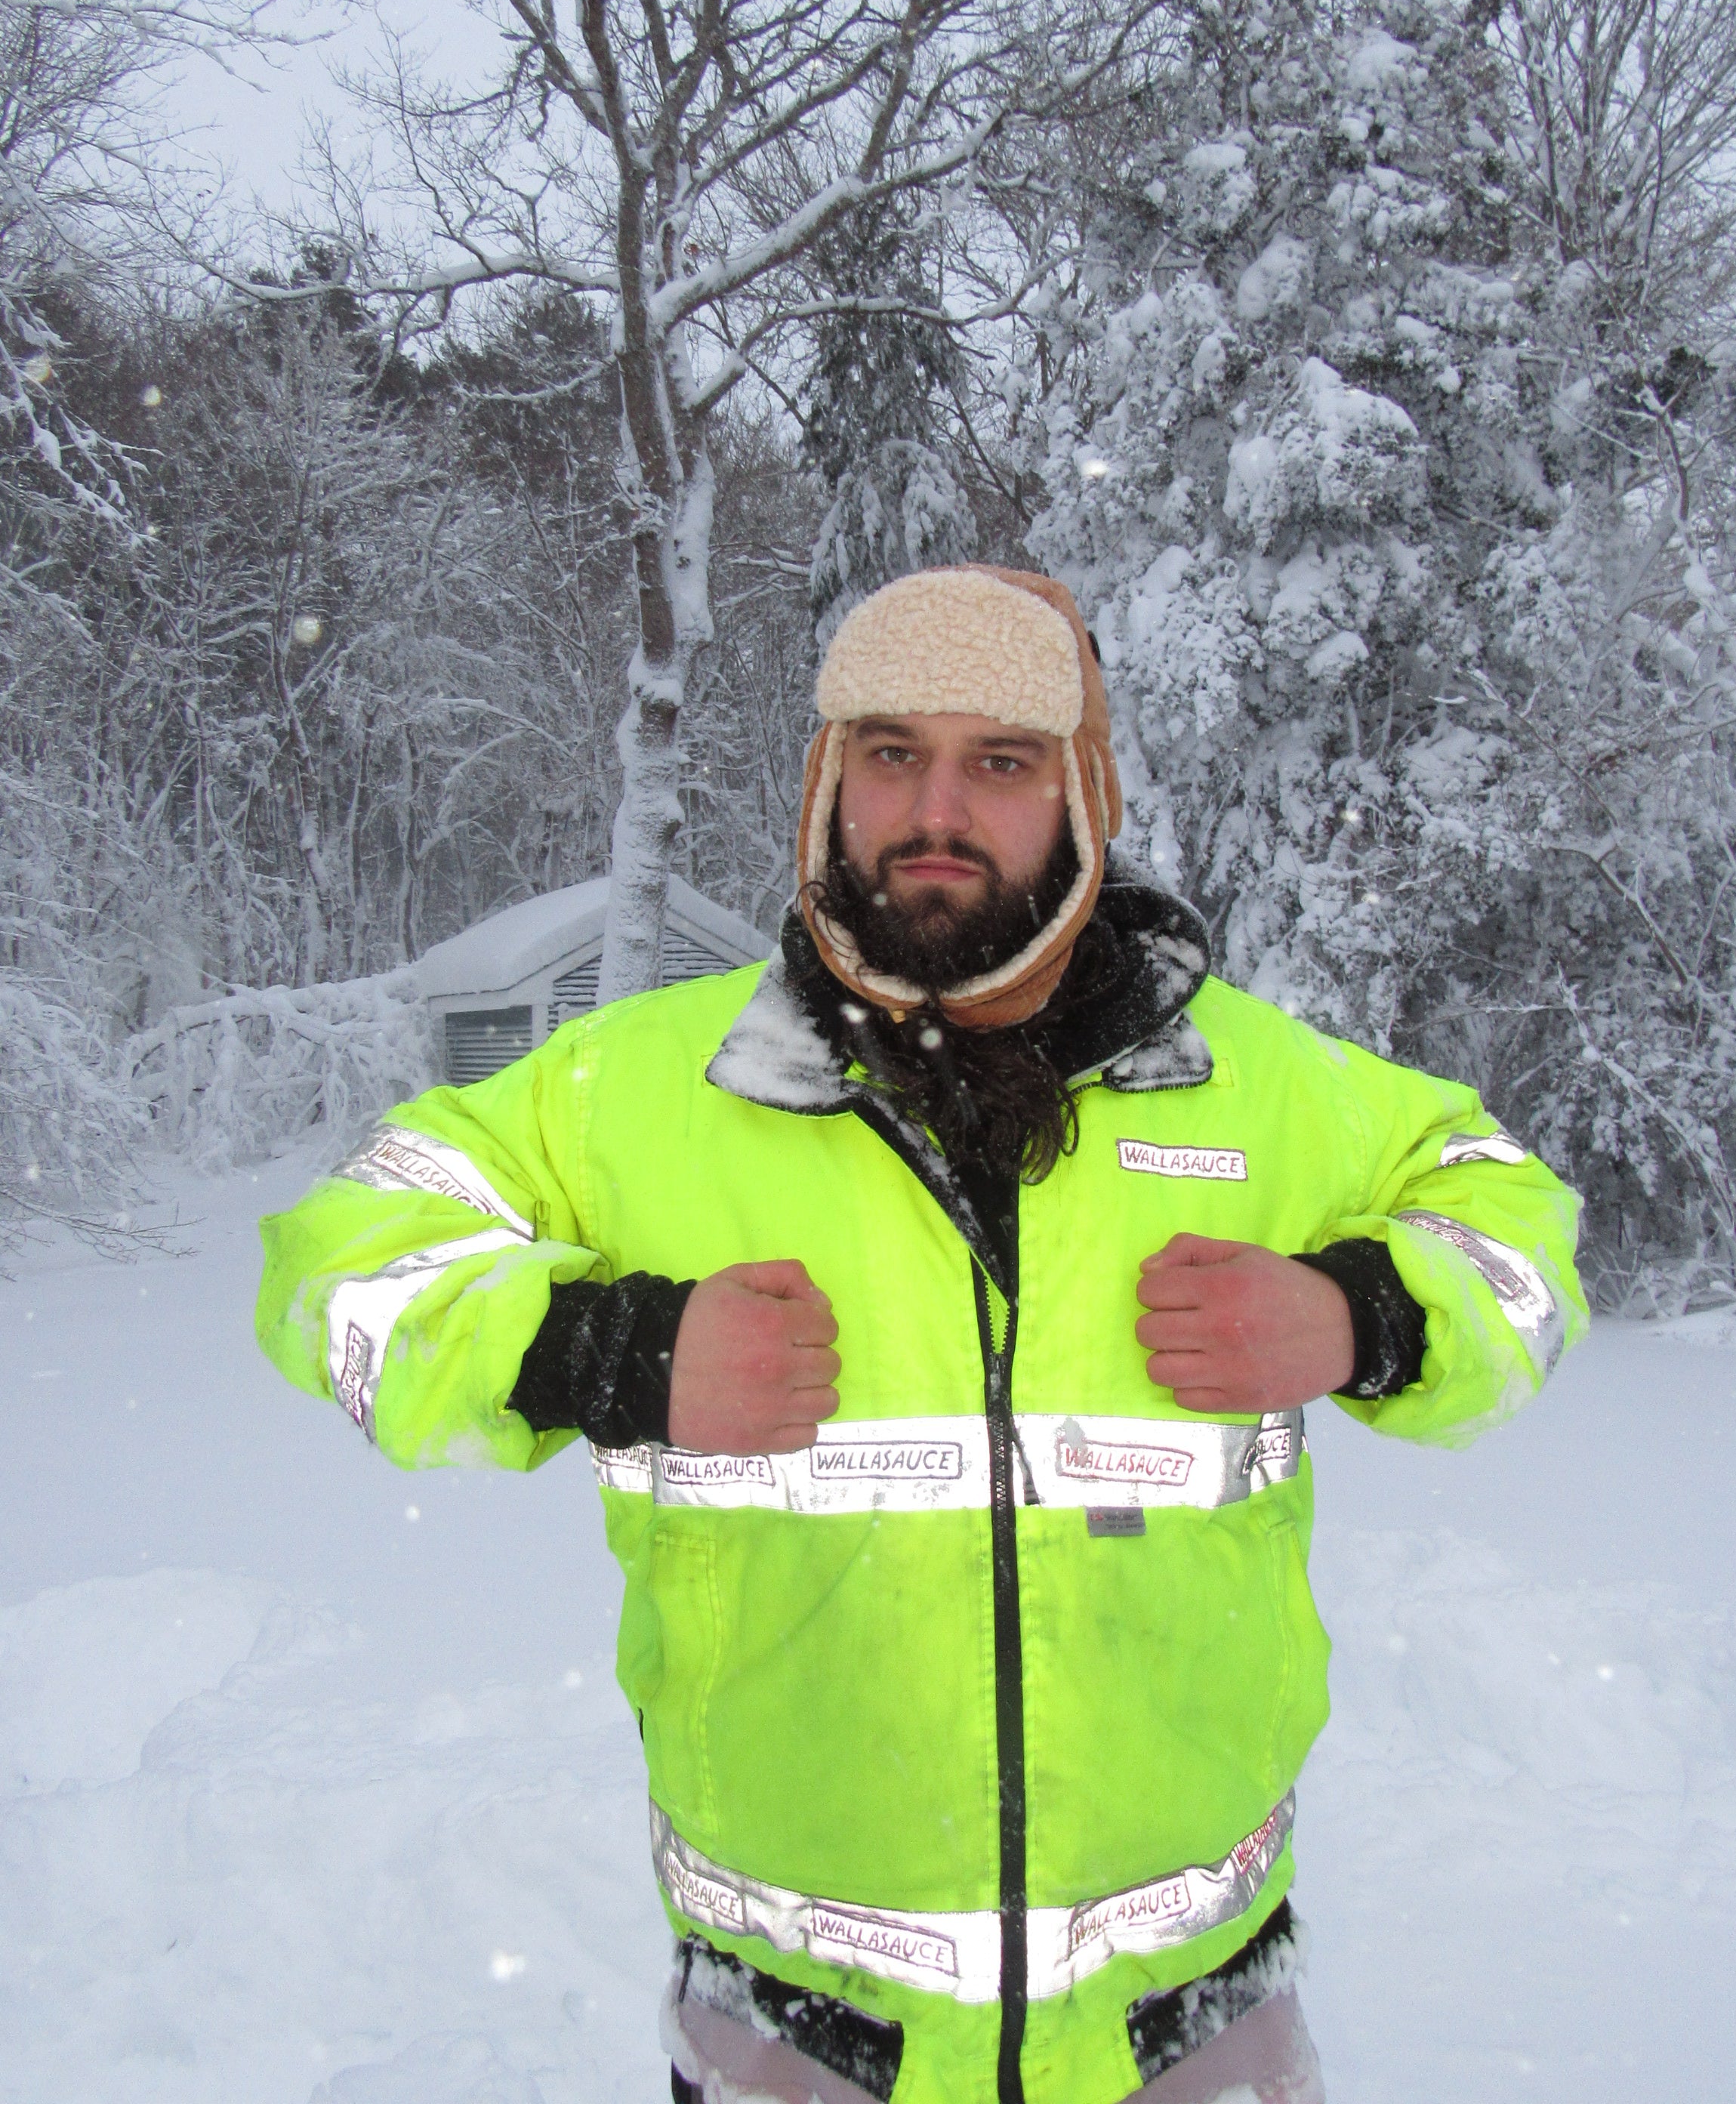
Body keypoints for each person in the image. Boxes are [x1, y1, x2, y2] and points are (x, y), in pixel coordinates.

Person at [257, 565, 1584, 2104]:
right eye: (890, 751)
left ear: (1079, 795)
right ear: (829, 779)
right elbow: (332, 1271)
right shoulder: (638, 1093)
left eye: (1001, 761)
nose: (935, 806)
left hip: (1190, 2028)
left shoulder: (1260, 1091)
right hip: (799, 2037)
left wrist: (1358, 1315)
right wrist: (612, 1356)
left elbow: (1518, 1227)